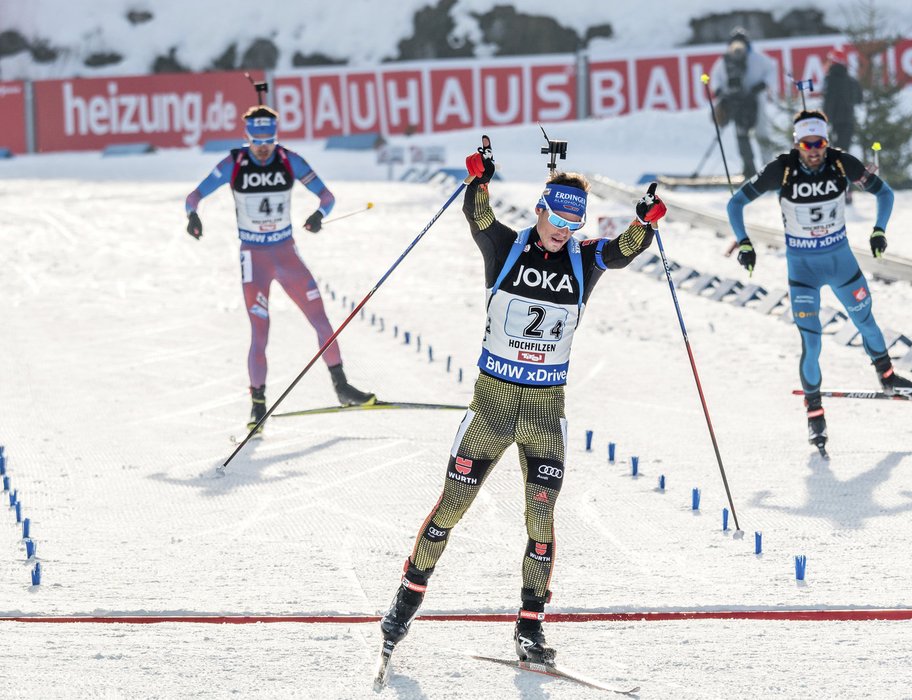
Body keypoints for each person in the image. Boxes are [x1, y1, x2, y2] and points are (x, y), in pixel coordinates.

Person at [379, 139, 666, 663]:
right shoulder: (506, 247)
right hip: (491, 406)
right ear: (540, 209)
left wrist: (644, 223)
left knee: (541, 520)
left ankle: (530, 626)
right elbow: (477, 214)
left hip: (543, 416)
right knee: (451, 509)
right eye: (556, 217)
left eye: (572, 224)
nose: (562, 231)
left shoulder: (584, 260)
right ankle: (403, 604)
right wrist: (480, 178)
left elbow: (623, 252)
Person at [726, 109, 912, 452]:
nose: (814, 150)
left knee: (867, 322)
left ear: (826, 141)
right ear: (797, 143)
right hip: (802, 270)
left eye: (819, 142)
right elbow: (735, 204)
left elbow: (886, 194)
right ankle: (815, 415)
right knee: (813, 342)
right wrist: (744, 242)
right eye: (807, 143)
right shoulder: (782, 168)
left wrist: (879, 230)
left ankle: (888, 379)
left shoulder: (841, 164)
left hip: (840, 262)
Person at [184, 105, 374, 431]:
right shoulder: (235, 162)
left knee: (321, 318)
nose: (263, 147)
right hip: (253, 259)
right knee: (260, 332)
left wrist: (318, 216)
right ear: (246, 137)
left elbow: (327, 197)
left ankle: (342, 387)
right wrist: (193, 216)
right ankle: (257, 407)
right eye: (257, 140)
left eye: (269, 140)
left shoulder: (289, 160)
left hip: (286, 253)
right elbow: (194, 196)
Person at [709, 27, 777, 178]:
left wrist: (763, 84)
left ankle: (769, 168)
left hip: (756, 100)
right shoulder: (725, 61)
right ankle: (749, 168)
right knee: (741, 135)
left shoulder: (757, 58)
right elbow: (716, 78)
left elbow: (772, 70)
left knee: (761, 133)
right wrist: (720, 91)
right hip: (737, 103)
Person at [821, 49, 864, 204]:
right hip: (848, 124)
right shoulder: (851, 80)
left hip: (833, 125)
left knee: (832, 158)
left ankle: (836, 191)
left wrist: (825, 121)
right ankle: (848, 192)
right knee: (845, 156)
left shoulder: (830, 80)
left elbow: (828, 104)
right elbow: (859, 99)